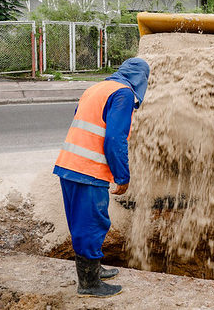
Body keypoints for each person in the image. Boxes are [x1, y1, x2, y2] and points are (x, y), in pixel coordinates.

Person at [53, 57, 150, 298]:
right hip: (89, 170)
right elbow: (115, 138)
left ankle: (93, 270)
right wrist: (122, 176)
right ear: (141, 78)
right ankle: (89, 284)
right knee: (92, 224)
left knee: (82, 223)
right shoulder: (124, 94)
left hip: (69, 164)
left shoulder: (96, 88)